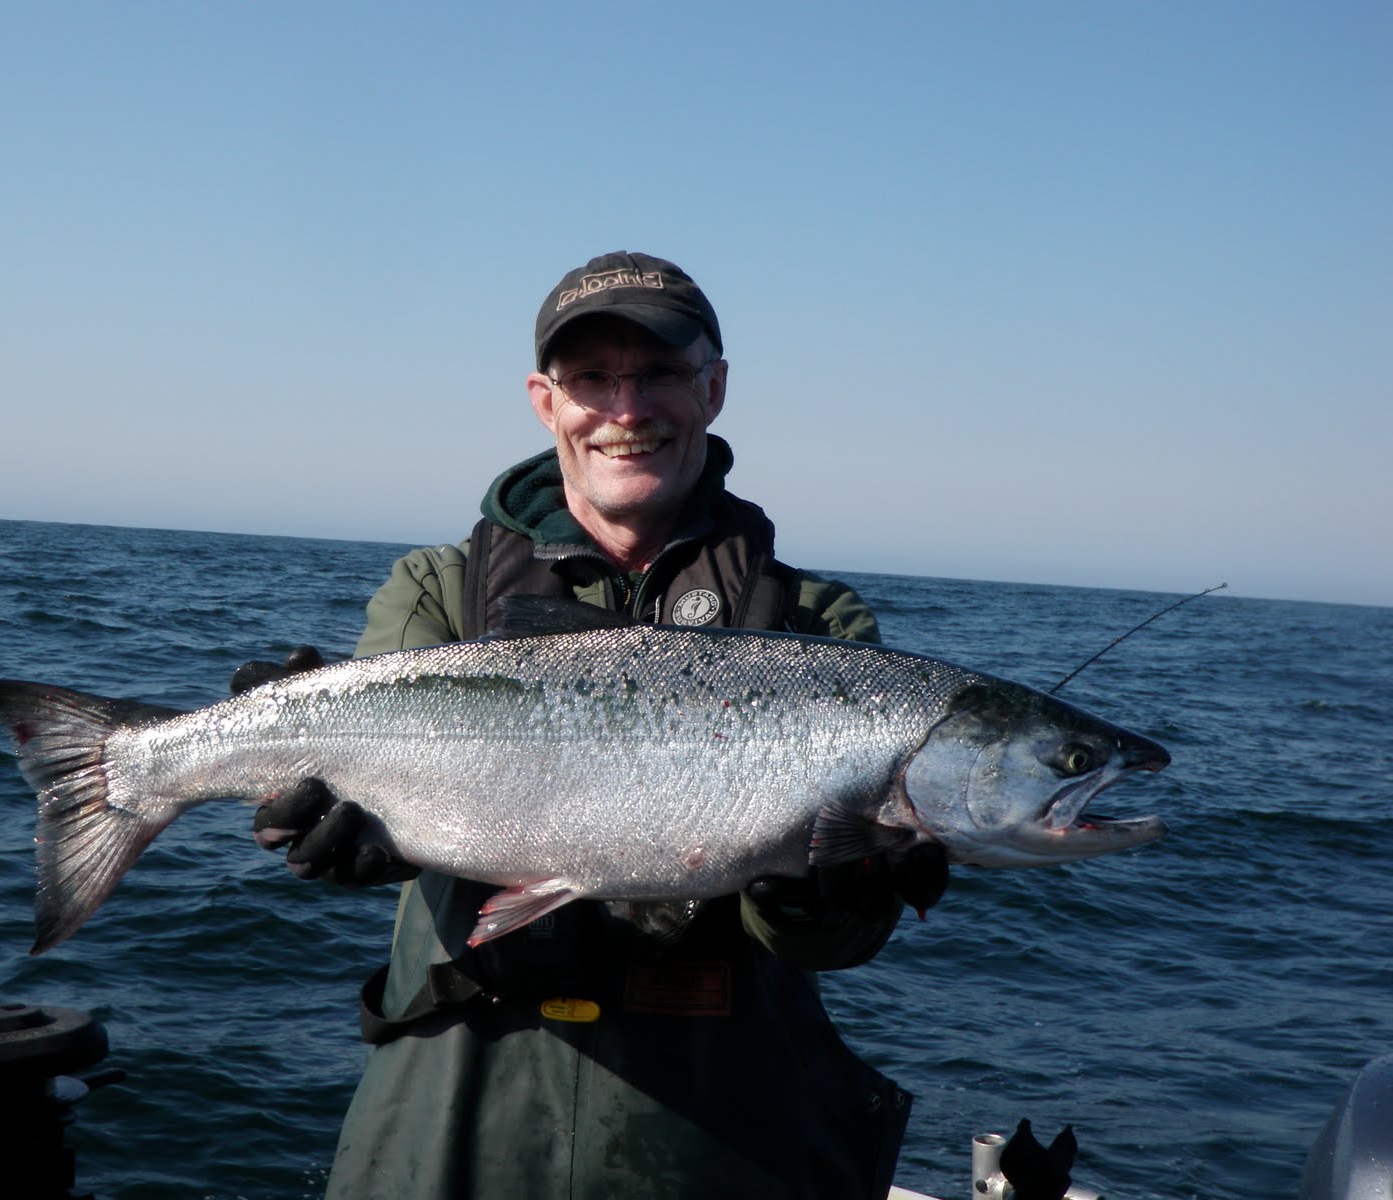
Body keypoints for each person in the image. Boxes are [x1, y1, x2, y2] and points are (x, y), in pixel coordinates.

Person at [237, 251, 944, 1199]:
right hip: (453, 1109)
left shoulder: (818, 626)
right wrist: (341, 835)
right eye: (592, 379)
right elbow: (360, 789)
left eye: (659, 373)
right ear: (546, 401)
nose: (626, 408)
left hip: (723, 1127)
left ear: (714, 389)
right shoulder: (438, 589)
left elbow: (840, 946)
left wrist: (830, 890)